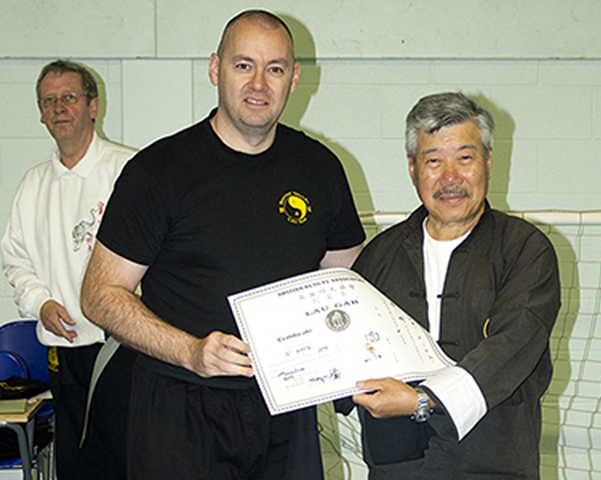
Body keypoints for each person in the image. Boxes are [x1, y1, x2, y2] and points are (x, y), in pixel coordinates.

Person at [80, 10, 364, 480]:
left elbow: (349, 283)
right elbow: (99, 295)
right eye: (243, 65)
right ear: (215, 69)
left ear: (293, 79)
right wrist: (191, 350)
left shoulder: (320, 169)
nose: (259, 83)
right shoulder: (158, 172)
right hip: (181, 408)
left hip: (285, 410)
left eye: (274, 69)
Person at [342, 92, 560, 479]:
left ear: (488, 161)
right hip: (397, 468)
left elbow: (512, 346)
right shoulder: (379, 256)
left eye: (465, 157)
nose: (450, 177)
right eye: (433, 161)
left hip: (494, 466)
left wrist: (422, 399)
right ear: (412, 169)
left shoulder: (525, 250)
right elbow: (347, 352)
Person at [1, 60, 137, 479]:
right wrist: (40, 303)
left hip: (125, 349)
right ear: (41, 113)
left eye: (70, 98)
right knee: (77, 466)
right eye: (50, 100)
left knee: (131, 460)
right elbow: (15, 260)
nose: (59, 107)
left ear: (93, 106)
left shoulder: (128, 171)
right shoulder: (33, 184)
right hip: (64, 350)